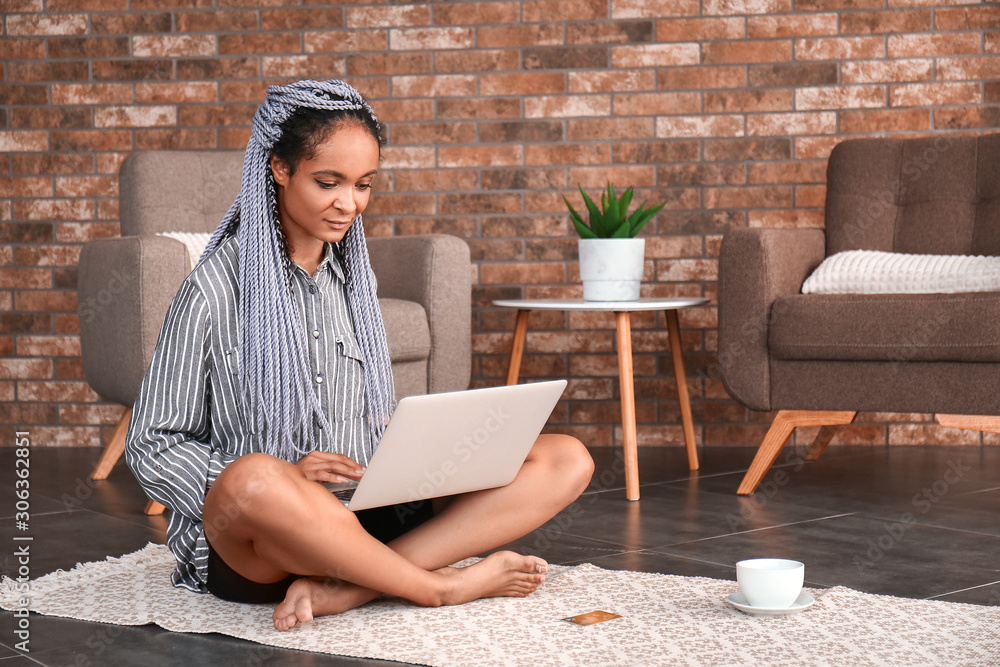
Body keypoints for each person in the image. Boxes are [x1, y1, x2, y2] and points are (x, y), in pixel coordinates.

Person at [125, 79, 595, 631]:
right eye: (329, 182)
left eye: (363, 185)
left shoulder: (353, 278)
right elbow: (151, 446)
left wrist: (417, 454)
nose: (348, 203)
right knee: (253, 479)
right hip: (271, 536)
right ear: (279, 168)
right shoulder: (212, 289)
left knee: (564, 458)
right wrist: (288, 475)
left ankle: (345, 591)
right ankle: (438, 587)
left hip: (368, 509)